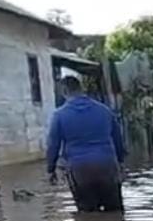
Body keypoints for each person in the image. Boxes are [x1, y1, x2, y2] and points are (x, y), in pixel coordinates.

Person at [47, 75, 125, 212]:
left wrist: (51, 169)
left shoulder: (59, 115)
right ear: (81, 89)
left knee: (87, 215)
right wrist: (121, 162)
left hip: (80, 170)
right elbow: (118, 139)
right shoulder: (104, 110)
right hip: (107, 166)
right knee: (115, 213)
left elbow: (53, 145)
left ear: (64, 91)